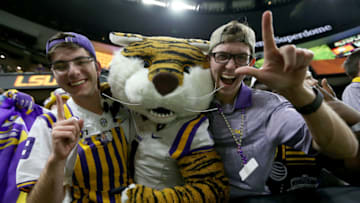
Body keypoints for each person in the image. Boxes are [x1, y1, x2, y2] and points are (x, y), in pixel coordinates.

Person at [206, 10, 358, 200]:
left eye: (240, 57)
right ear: (208, 60)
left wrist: (298, 93)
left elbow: (345, 149)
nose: (230, 66)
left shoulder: (269, 107)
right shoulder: (187, 103)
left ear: (252, 62)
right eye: (222, 56)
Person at [16, 32, 131, 203]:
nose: (73, 72)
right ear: (54, 74)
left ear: (98, 67)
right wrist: (57, 159)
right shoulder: (48, 125)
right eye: (61, 66)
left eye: (81, 62)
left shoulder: (128, 108)